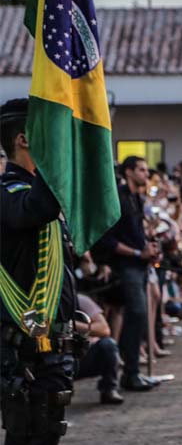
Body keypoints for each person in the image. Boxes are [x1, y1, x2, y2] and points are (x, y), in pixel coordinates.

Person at [0, 98, 81, 444]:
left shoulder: (34, 193)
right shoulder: (9, 192)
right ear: (24, 139)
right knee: (29, 435)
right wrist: (55, 161)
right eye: (46, 129)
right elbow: (35, 209)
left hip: (51, 344)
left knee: (47, 432)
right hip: (25, 349)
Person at [95, 155, 161, 392]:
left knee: (138, 317)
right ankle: (127, 373)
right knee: (136, 314)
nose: (146, 174)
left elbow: (137, 233)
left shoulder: (136, 198)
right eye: (141, 170)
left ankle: (131, 372)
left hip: (138, 265)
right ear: (129, 172)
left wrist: (150, 249)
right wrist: (136, 253)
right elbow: (107, 239)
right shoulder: (118, 199)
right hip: (126, 266)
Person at [74, 294, 123, 405]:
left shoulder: (80, 300)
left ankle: (109, 389)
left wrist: (72, 325)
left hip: (81, 357)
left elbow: (104, 329)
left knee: (108, 344)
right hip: (54, 359)